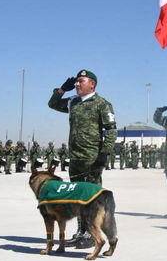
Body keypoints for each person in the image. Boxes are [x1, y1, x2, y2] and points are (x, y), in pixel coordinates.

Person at [48, 69, 117, 248]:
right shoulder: (73, 102)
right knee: (76, 195)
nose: (77, 84)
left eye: (81, 81)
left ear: (92, 84)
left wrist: (104, 153)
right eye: (76, 82)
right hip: (76, 157)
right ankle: (82, 231)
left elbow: (111, 130)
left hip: (92, 157)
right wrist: (62, 90)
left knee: (92, 197)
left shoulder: (102, 104)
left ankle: (91, 234)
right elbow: (53, 104)